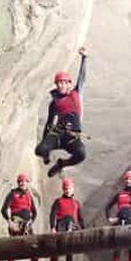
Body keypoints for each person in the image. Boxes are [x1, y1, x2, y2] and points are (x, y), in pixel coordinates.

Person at [35, 47, 88, 178]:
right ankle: (47, 155)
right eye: (59, 83)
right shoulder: (54, 103)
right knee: (39, 150)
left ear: (69, 84)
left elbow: (82, 78)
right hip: (59, 134)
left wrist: (84, 58)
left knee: (81, 154)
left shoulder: (76, 93)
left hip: (72, 136)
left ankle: (61, 165)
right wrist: (45, 147)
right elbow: (49, 123)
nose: (61, 85)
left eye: (64, 83)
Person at [1, 173, 39, 261]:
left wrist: (31, 222)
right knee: (12, 249)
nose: (22, 183)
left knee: (35, 248)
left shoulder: (29, 196)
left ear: (27, 182)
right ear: (18, 183)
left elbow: (35, 212)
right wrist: (9, 222)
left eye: (24, 181)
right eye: (20, 181)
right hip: (16, 224)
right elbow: (4, 209)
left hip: (27, 225)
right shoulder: (13, 194)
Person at [48, 178, 85, 261]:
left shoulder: (76, 203)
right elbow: (52, 214)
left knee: (70, 251)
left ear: (73, 189)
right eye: (65, 189)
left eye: (69, 188)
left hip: (72, 226)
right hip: (61, 226)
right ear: (63, 190)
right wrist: (52, 227)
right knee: (56, 250)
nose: (67, 190)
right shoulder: (58, 201)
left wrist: (84, 231)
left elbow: (80, 219)